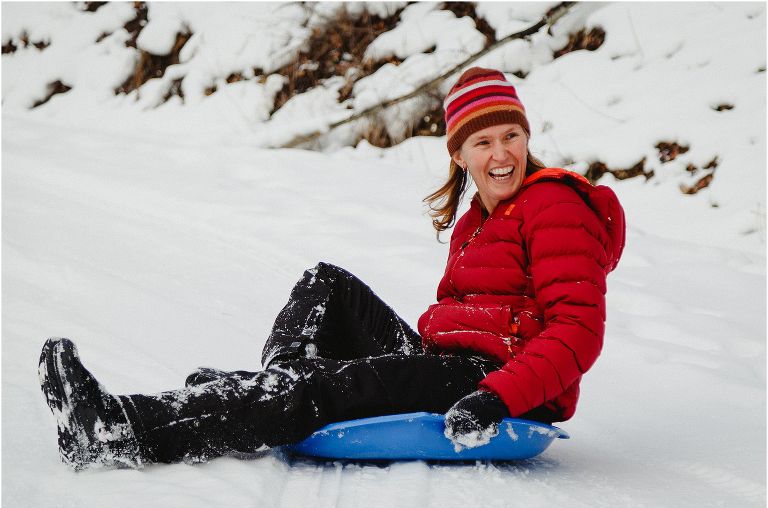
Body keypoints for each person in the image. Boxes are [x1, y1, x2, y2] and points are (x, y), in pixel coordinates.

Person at [38, 67, 625, 470]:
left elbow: (578, 329)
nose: (501, 154)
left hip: (498, 379)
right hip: (446, 360)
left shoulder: (554, 204)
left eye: (512, 135)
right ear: (459, 154)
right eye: (483, 142)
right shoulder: (476, 219)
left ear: (527, 136)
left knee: (320, 389)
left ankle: (121, 429)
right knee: (327, 284)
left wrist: (499, 397)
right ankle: (276, 391)